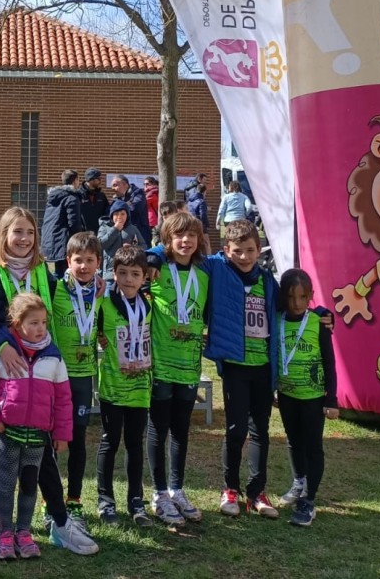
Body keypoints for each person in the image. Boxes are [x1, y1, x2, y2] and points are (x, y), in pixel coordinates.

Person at [0, 207, 99, 556]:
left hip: (40, 370)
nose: (24, 239)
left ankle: (56, 521)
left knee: (39, 448)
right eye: (17, 232)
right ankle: (0, 506)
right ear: (3, 234)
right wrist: (1, 345)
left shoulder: (44, 271)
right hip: (3, 371)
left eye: (29, 232)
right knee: (1, 444)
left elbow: (70, 289)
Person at [0, 293, 73, 560]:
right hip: (7, 433)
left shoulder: (53, 357)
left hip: (38, 437)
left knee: (29, 485)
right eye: (33, 323)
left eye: (43, 323)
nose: (40, 329)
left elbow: (63, 399)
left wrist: (62, 434)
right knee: (5, 485)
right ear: (16, 324)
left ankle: (24, 533)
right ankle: (5, 535)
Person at [202, 219, 281, 519]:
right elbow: (185, 253)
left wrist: (322, 315)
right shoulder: (217, 269)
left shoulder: (268, 281)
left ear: (260, 250)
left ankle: (257, 493)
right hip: (235, 366)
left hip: (263, 367)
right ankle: (230, 489)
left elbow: (292, 308)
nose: (245, 257)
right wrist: (155, 256)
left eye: (250, 250)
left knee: (260, 431)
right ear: (226, 250)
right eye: (238, 251)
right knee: (235, 430)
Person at [143, 212, 211, 526]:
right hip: (160, 365)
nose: (185, 241)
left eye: (191, 236)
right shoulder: (155, 270)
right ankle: (159, 494)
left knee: (182, 431)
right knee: (158, 429)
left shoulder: (204, 275)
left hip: (188, 366)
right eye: (178, 236)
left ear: (199, 240)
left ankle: (177, 489)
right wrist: (153, 255)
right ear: (168, 240)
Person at [275, 268, 338, 527]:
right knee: (293, 440)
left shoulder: (318, 322)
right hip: (287, 394)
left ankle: (309, 498)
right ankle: (298, 481)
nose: (297, 303)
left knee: (312, 445)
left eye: (303, 297)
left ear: (311, 296)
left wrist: (331, 398)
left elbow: (329, 361)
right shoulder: (277, 319)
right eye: (291, 297)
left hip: (313, 396)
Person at [95, 245, 153, 526]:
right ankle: (105, 502)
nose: (128, 279)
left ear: (144, 277)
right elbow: (91, 328)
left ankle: (136, 501)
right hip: (113, 388)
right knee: (110, 441)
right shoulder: (104, 303)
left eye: (135, 274)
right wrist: (100, 339)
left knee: (134, 444)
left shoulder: (150, 305)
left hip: (140, 388)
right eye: (122, 273)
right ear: (114, 275)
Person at [48, 232, 102, 528]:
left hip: (84, 377)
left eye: (89, 260)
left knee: (79, 440)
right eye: (78, 260)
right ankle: (50, 501)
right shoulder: (55, 287)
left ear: (98, 263)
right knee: (54, 438)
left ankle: (75, 500)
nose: (83, 266)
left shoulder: (101, 292)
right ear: (68, 261)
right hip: (57, 376)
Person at [41, 169, 84, 277]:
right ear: (75, 181)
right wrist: (79, 240)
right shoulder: (72, 197)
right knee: (66, 273)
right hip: (64, 240)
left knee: (58, 271)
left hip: (50, 240)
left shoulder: (53, 198)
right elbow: (74, 223)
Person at [97, 200, 146, 282]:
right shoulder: (104, 227)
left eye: (123, 214)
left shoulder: (132, 229)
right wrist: (115, 229)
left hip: (129, 270)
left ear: (127, 215)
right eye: (116, 214)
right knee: (109, 294)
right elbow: (100, 245)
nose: (119, 217)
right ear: (111, 216)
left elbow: (144, 246)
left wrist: (133, 248)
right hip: (110, 273)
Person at [109, 174, 150, 240]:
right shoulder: (117, 199)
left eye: (115, 185)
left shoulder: (138, 193)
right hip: (124, 234)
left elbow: (134, 209)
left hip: (140, 232)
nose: (112, 188)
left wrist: (121, 206)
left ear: (125, 184)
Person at [143, 176, 160, 243]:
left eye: (147, 184)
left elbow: (143, 202)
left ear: (153, 184)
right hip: (152, 219)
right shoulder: (151, 192)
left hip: (152, 220)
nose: (145, 186)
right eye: (144, 184)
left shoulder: (152, 193)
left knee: (152, 240)